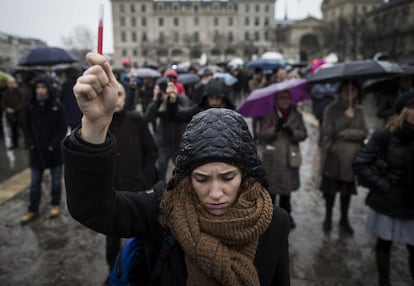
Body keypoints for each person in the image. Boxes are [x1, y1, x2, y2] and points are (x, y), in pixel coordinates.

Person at [62, 52, 290, 285]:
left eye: (228, 177)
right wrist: (94, 125)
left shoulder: (274, 223)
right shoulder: (163, 212)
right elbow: (93, 208)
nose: (215, 193)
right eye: (201, 179)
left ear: (245, 175)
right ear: (186, 178)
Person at [353, 90, 414, 286]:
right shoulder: (385, 134)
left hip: (411, 203)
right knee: (384, 244)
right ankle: (384, 280)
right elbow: (360, 163)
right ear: (404, 111)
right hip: (388, 201)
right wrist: (383, 185)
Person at [104, 81, 159, 277]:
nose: (116, 99)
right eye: (113, 94)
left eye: (119, 94)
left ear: (125, 97)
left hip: (135, 188)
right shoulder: (101, 123)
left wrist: (144, 178)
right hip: (110, 192)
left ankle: (138, 269)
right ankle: (113, 271)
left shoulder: (136, 121)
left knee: (138, 233)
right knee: (111, 235)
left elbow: (152, 150)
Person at [320, 80, 369, 234]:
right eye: (346, 90)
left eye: (353, 90)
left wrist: (346, 133)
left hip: (351, 158)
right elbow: (328, 131)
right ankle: (327, 218)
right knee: (330, 191)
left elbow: (364, 132)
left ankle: (344, 219)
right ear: (340, 91)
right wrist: (345, 119)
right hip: (333, 155)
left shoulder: (359, 110)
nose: (349, 93)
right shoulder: (331, 109)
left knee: (346, 191)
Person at [257, 89, 308, 229]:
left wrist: (293, 132)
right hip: (272, 158)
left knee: (286, 192)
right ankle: (271, 217)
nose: (285, 100)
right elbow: (261, 134)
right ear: (276, 100)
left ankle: (287, 216)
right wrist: (275, 129)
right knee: (271, 192)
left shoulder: (296, 115)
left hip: (289, 158)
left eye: (287, 97)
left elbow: (303, 134)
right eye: (281, 98)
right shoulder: (269, 114)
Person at [20, 76, 67, 224]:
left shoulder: (57, 105)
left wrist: (53, 145)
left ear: (48, 88)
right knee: (34, 184)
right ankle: (33, 209)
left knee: (56, 182)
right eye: (38, 88)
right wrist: (31, 144)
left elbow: (62, 127)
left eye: (43, 87)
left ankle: (55, 204)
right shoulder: (30, 106)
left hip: (54, 153)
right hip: (36, 153)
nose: (40, 90)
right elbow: (25, 127)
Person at [167, 78, 235, 123]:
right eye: (211, 97)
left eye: (218, 98)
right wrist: (173, 100)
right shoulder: (199, 111)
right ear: (206, 97)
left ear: (224, 99)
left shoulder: (231, 116)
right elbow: (178, 116)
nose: (214, 102)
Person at [1, 77, 27, 149]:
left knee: (24, 130)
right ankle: (15, 144)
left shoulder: (20, 91)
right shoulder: (5, 93)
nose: (11, 84)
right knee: (13, 131)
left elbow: (22, 102)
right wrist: (6, 108)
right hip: (10, 115)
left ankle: (26, 144)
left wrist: (14, 109)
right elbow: (3, 102)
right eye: (9, 83)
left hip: (20, 115)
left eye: (12, 83)